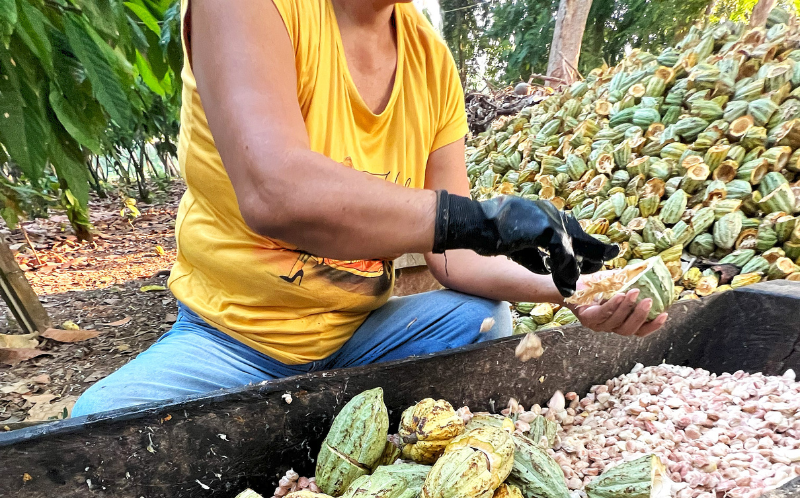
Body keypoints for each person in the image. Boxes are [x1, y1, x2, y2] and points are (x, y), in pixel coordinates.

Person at [72, 0, 667, 417]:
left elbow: (453, 259)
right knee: (92, 428)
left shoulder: (431, 64)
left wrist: (576, 290)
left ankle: (338, 420)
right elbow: (276, 192)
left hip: (358, 337)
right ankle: (331, 419)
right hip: (231, 339)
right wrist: (482, 219)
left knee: (482, 318)